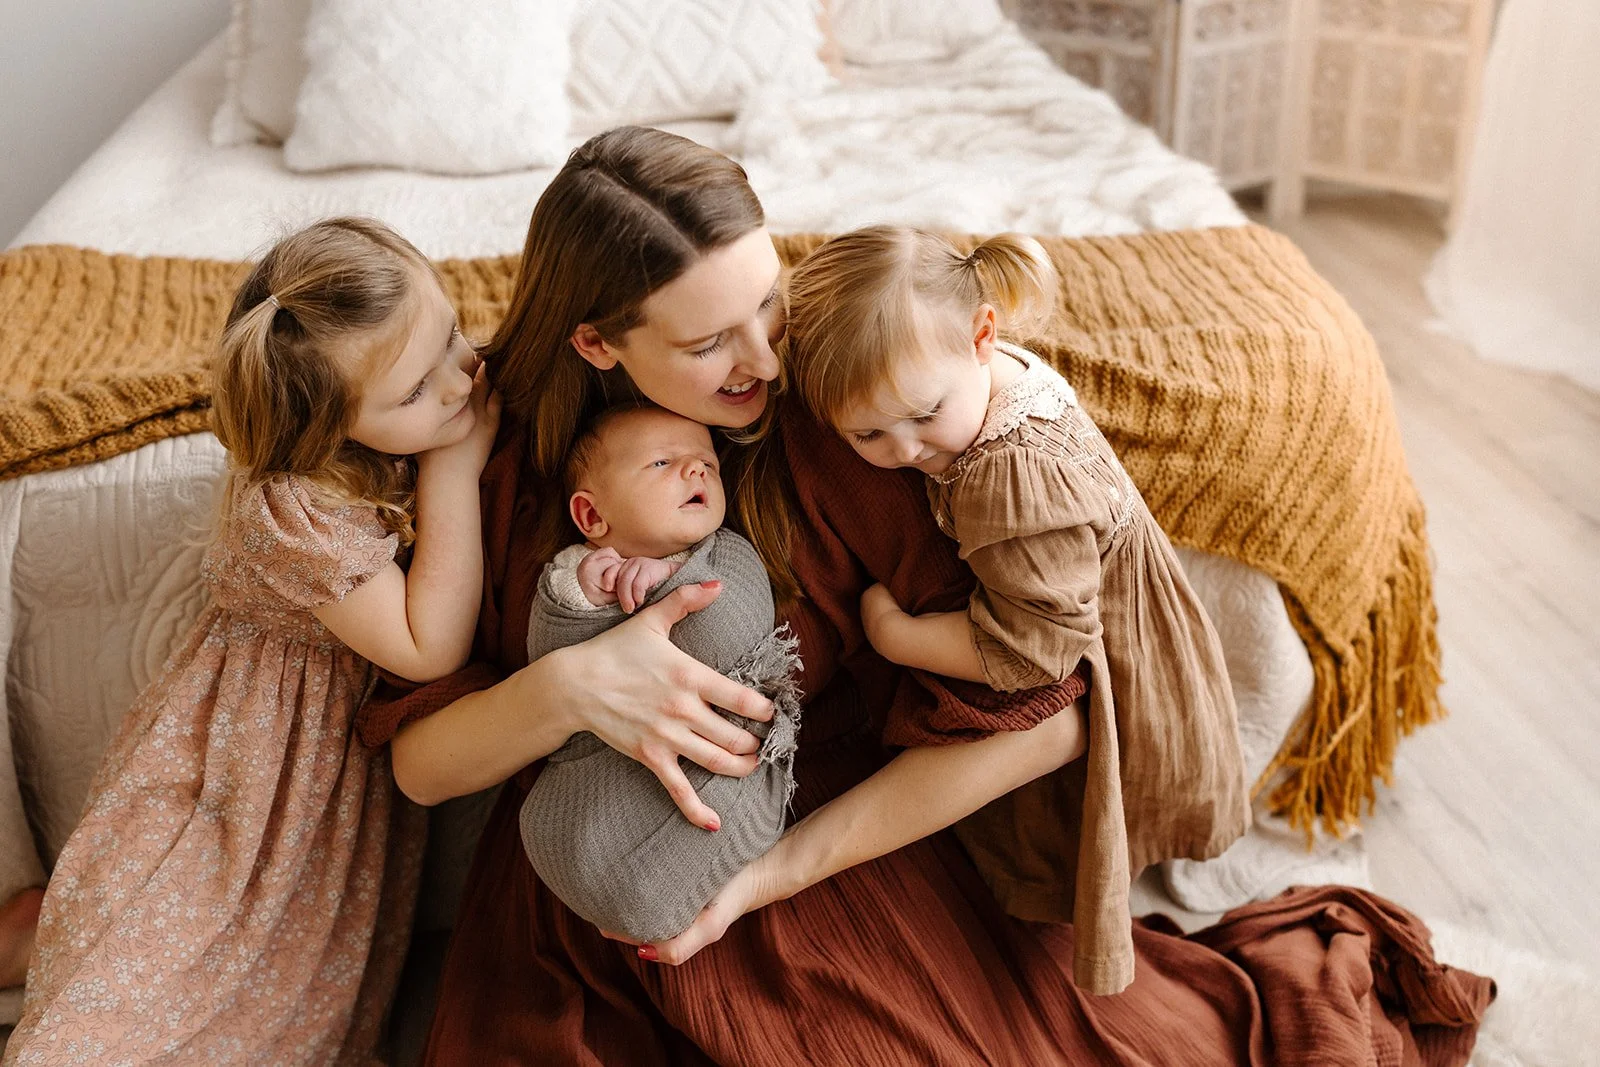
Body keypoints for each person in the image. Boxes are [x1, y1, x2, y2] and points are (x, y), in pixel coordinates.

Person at [362, 127, 1491, 1064]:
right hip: (597, 855)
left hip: (830, 834)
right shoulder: (508, 460)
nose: (763, 356)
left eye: (771, 302)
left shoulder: (857, 415)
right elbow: (420, 764)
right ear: (596, 342)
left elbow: (1052, 712)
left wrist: (764, 879)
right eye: (710, 342)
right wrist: (573, 686)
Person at [4, 217, 499, 1065]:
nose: (462, 381)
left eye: (451, 334)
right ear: (327, 429)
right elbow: (426, 646)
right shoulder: (294, 507)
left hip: (313, 787)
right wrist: (456, 469)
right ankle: (41, 946)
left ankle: (32, 927)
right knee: (154, 967)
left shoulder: (419, 390)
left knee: (267, 990)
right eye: (417, 392)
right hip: (238, 781)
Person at [782, 225, 1249, 993]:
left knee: (1054, 836)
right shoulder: (994, 378)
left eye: (922, 416)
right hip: (1082, 604)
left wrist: (894, 634)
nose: (902, 450)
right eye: (867, 432)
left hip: (1113, 666)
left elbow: (1035, 654)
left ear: (982, 335)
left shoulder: (1006, 476)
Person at [518, 402, 803, 944]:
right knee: (545, 824)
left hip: (721, 773)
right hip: (596, 778)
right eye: (662, 463)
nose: (696, 470)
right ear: (591, 518)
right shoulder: (571, 576)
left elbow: (734, 633)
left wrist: (672, 577)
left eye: (707, 464)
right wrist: (581, 596)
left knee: (719, 804)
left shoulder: (727, 555)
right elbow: (550, 665)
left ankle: (670, 893)